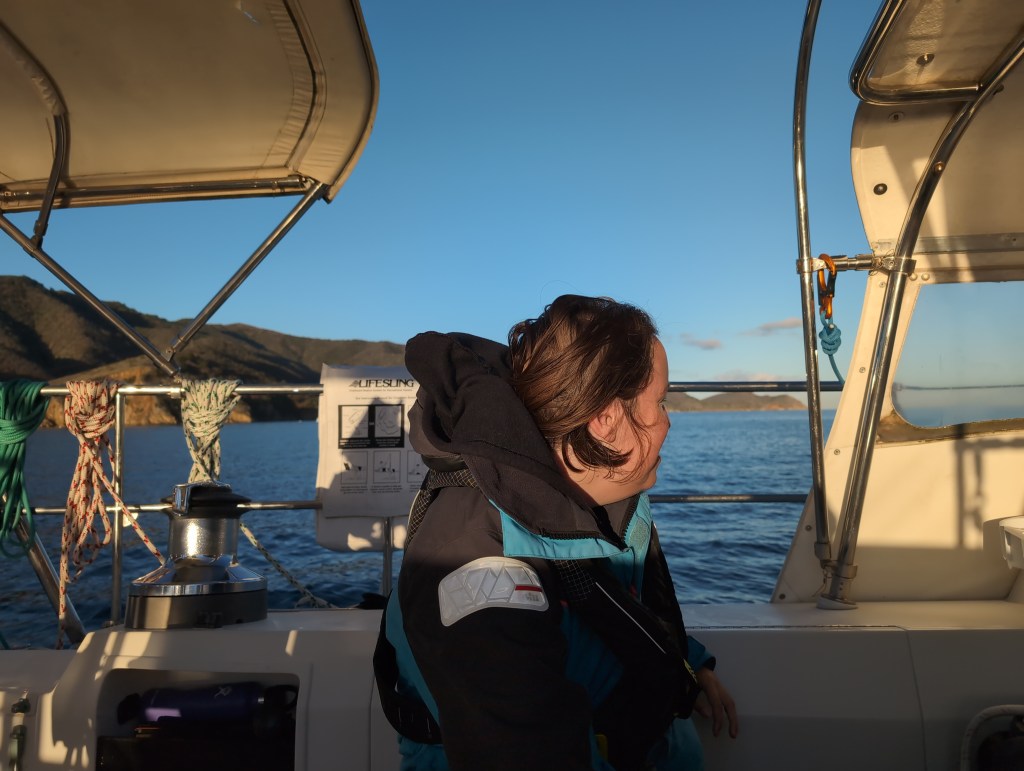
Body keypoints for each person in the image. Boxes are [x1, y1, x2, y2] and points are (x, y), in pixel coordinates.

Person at [374, 294, 738, 771]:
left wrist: (686, 661)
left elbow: (621, 598)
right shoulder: (474, 558)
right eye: (661, 402)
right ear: (606, 419)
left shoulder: (603, 495)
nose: (669, 422)